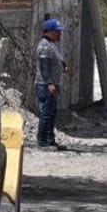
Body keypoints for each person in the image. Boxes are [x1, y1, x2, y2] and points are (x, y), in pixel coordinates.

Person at [35, 18, 68, 149]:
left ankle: (50, 140)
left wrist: (63, 65)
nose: (59, 35)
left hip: (52, 85)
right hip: (45, 86)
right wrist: (49, 83)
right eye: (57, 32)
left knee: (51, 113)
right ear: (49, 32)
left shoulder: (51, 45)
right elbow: (44, 66)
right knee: (46, 114)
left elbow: (56, 59)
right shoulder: (44, 46)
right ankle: (42, 142)